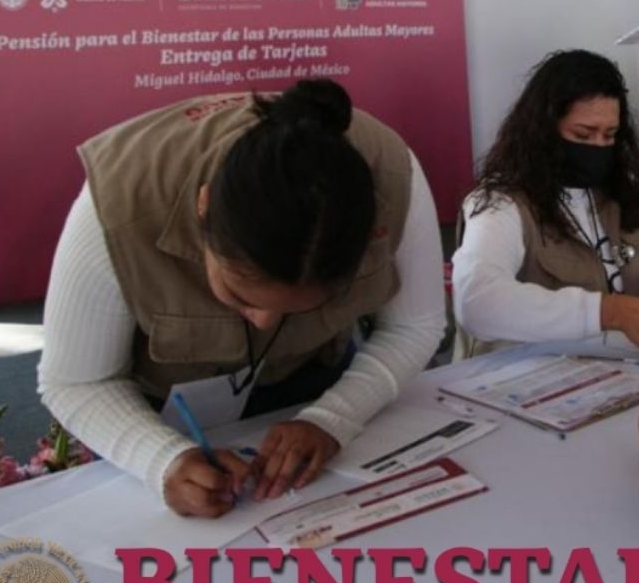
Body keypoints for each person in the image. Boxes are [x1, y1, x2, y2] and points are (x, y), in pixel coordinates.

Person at [38, 80, 447, 517]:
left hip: (315, 381)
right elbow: (77, 382)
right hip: (157, 410)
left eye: (305, 305)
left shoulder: (391, 175)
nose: (264, 321)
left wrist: (332, 419)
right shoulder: (121, 201)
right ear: (203, 206)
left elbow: (413, 326)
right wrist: (161, 459)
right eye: (238, 294)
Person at [452, 50, 639, 358]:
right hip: (528, 374)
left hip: (624, 368)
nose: (598, 147)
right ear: (544, 131)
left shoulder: (620, 191)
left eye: (609, 135)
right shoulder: (500, 202)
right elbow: (477, 301)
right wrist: (608, 312)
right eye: (583, 135)